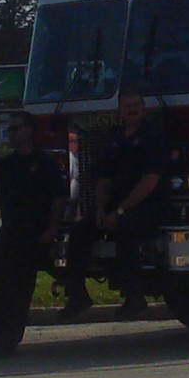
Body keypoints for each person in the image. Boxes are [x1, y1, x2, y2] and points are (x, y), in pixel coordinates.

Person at [61, 86, 170, 322]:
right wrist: (100, 209)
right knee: (80, 231)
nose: (132, 110)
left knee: (126, 229)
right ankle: (77, 296)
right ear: (119, 110)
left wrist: (120, 211)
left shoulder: (152, 138)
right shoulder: (116, 140)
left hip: (148, 207)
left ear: (144, 109)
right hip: (114, 208)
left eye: (136, 106)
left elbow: (149, 182)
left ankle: (134, 296)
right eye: (127, 106)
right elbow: (104, 179)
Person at [0, 110, 68, 357]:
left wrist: (52, 228)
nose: (12, 133)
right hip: (10, 233)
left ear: (29, 130)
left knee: (19, 290)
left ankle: (8, 342)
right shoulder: (7, 164)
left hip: (33, 235)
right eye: (10, 129)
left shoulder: (44, 163)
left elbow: (60, 197)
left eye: (16, 128)